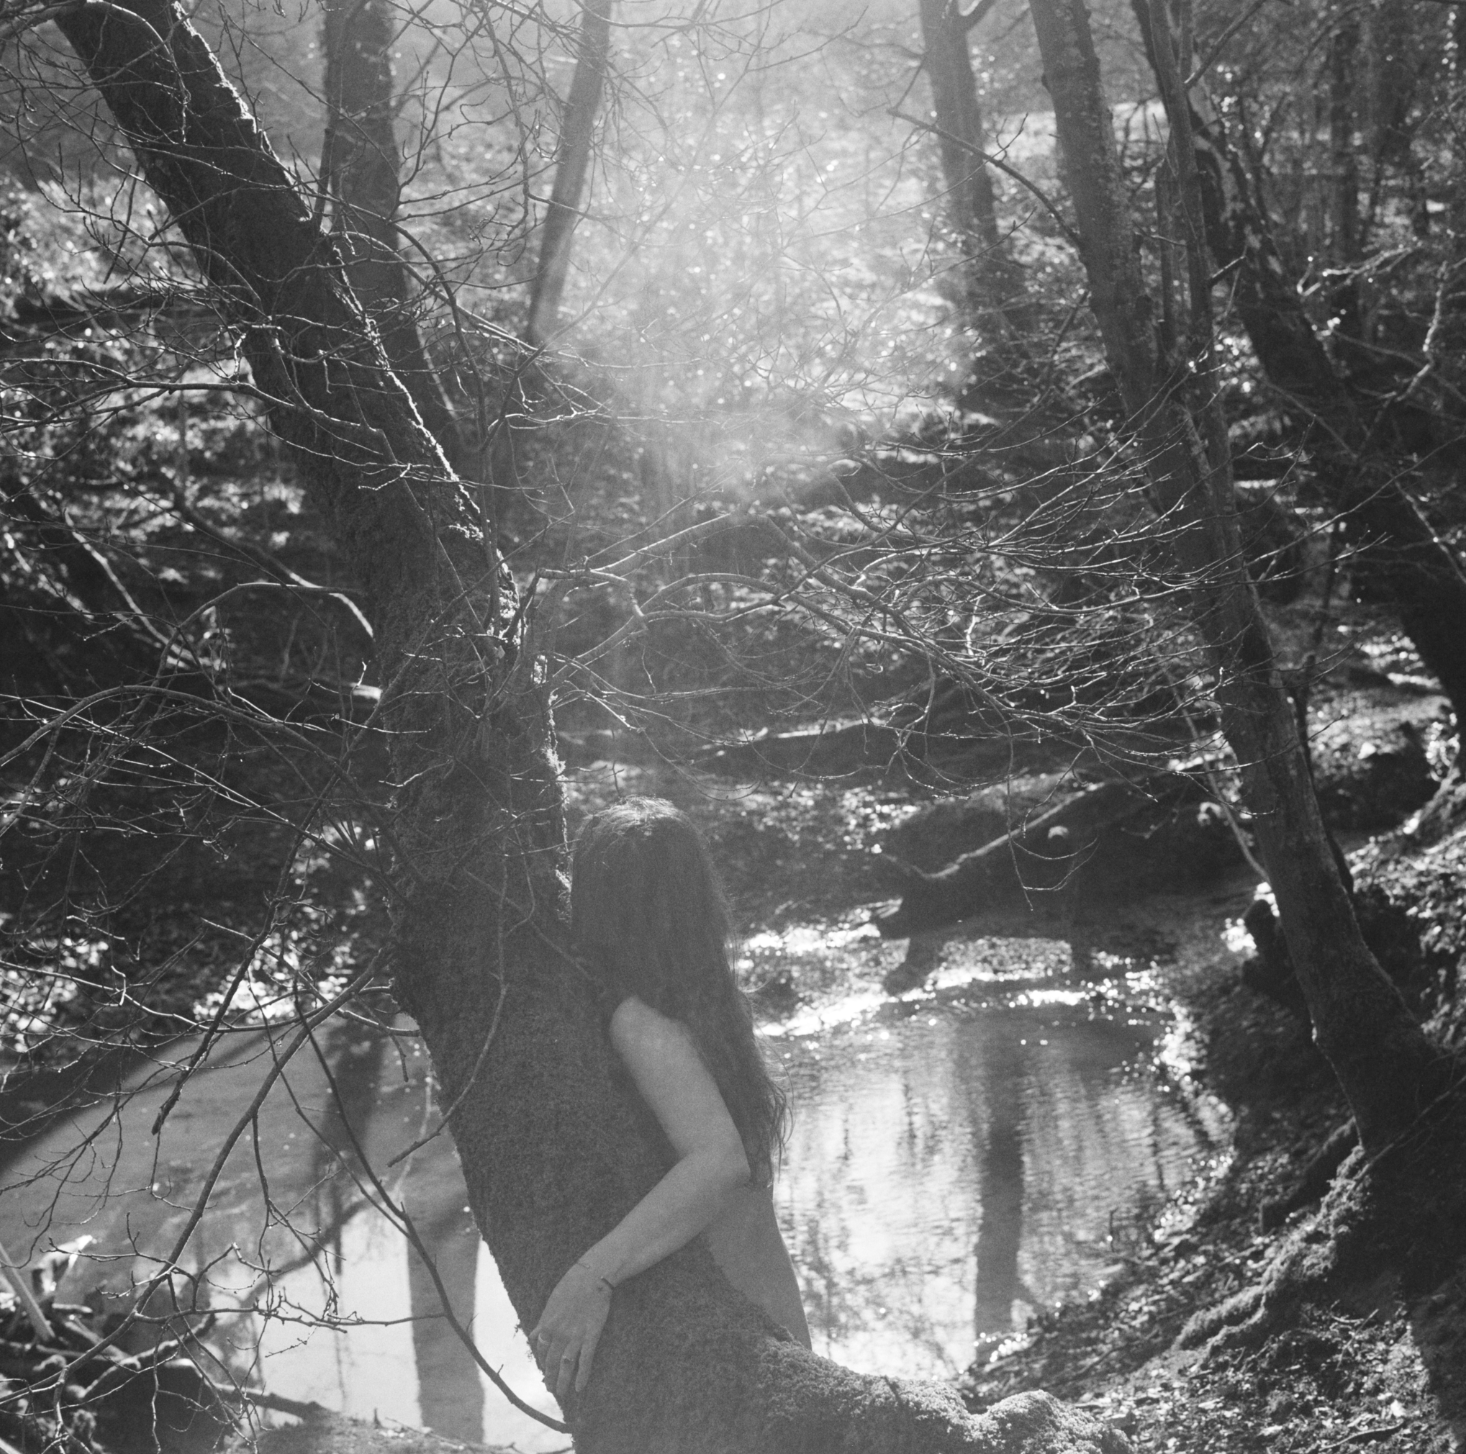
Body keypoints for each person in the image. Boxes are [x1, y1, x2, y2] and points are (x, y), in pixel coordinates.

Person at [529, 797, 811, 1404]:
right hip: (773, 1328)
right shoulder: (706, 999)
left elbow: (719, 1162)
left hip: (741, 1351)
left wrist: (590, 1277)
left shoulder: (642, 1020)